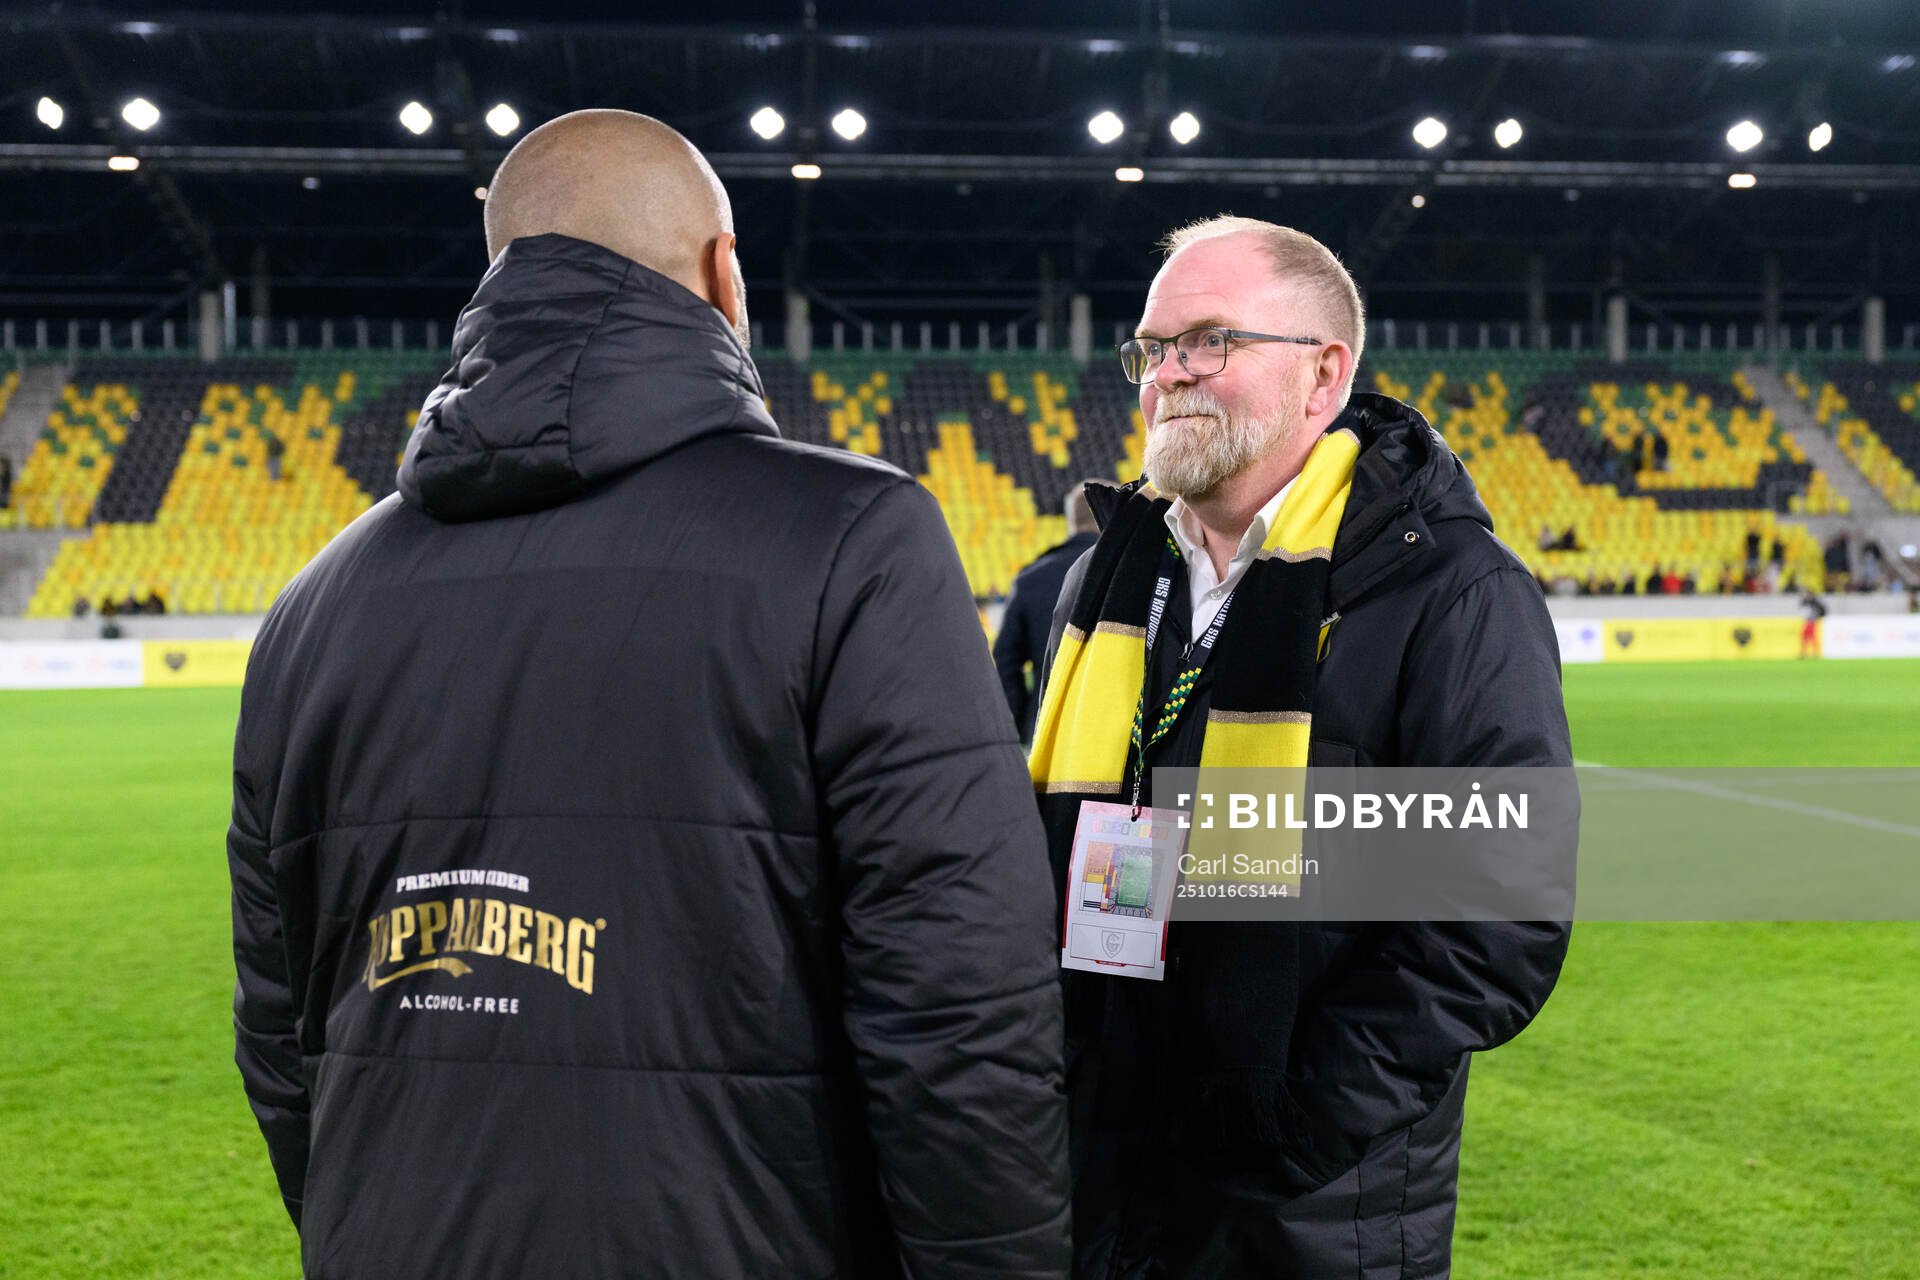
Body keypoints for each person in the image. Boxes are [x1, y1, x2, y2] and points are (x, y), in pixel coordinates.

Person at [228, 110, 1069, 1280]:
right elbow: (959, 1003)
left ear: (498, 278)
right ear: (726, 272)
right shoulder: (857, 537)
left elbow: (280, 1034)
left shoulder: (310, 604)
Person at [1027, 215, 1570, 1278]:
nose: (1169, 373)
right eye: (1152, 347)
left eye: (1213, 340)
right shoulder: (1110, 571)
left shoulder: (1451, 587)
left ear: (1323, 373)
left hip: (1309, 1207)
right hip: (1100, 1165)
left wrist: (1296, 1121)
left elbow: (1494, 915)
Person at [995, 483, 1101, 741]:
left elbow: (1005, 664)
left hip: (1045, 732)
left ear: (1071, 520)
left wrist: (1024, 724)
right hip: (1118, 740)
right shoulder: (1146, 573)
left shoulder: (1030, 579)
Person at [1801, 590, 1828, 658]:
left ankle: (1814, 653)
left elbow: (1823, 610)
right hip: (1807, 621)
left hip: (1811, 621)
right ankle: (1805, 653)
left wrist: (1819, 616)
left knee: (1811, 637)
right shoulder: (1808, 602)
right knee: (1805, 637)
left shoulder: (1814, 602)